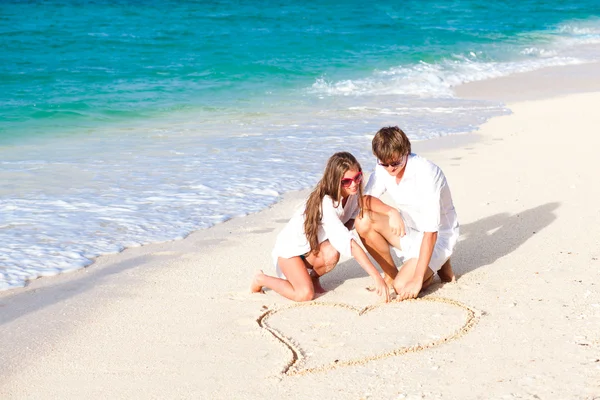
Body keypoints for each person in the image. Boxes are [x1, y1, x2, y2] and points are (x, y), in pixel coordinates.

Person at [250, 152, 389, 303]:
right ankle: (261, 279)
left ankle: (312, 279)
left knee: (332, 252)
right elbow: (348, 242)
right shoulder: (326, 203)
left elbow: (370, 190)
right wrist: (376, 277)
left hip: (311, 250)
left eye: (357, 177)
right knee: (305, 294)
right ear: (335, 181)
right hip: (289, 252)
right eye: (346, 181)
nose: (354, 184)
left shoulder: (353, 193)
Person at [355, 126, 459, 301]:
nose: (390, 168)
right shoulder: (384, 165)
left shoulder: (427, 173)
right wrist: (391, 211)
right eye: (384, 163)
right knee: (363, 220)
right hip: (408, 229)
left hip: (438, 236)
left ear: (406, 152)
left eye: (395, 163)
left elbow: (431, 232)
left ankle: (439, 263)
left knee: (403, 287)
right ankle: (392, 274)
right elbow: (364, 199)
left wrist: (418, 280)